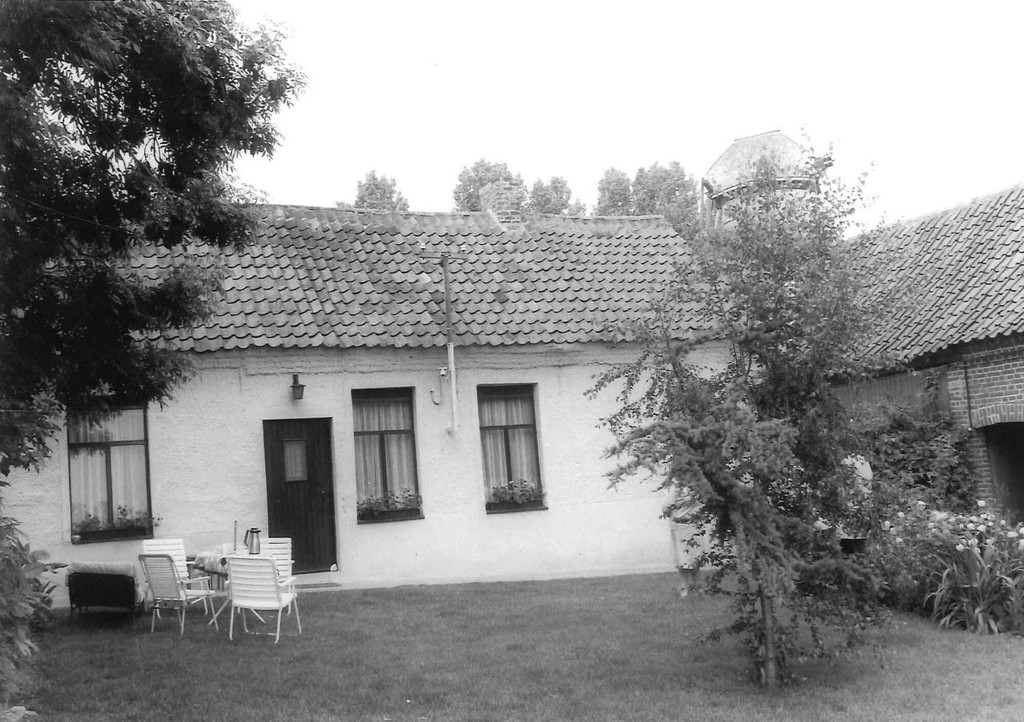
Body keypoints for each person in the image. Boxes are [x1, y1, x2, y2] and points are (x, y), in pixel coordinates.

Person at [666, 485, 711, 597]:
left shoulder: (690, 485)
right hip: (681, 526)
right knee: (686, 559)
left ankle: (692, 589)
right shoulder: (677, 485)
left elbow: (666, 508)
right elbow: (666, 508)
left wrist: (681, 503)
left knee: (689, 559)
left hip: (688, 525)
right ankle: (690, 589)